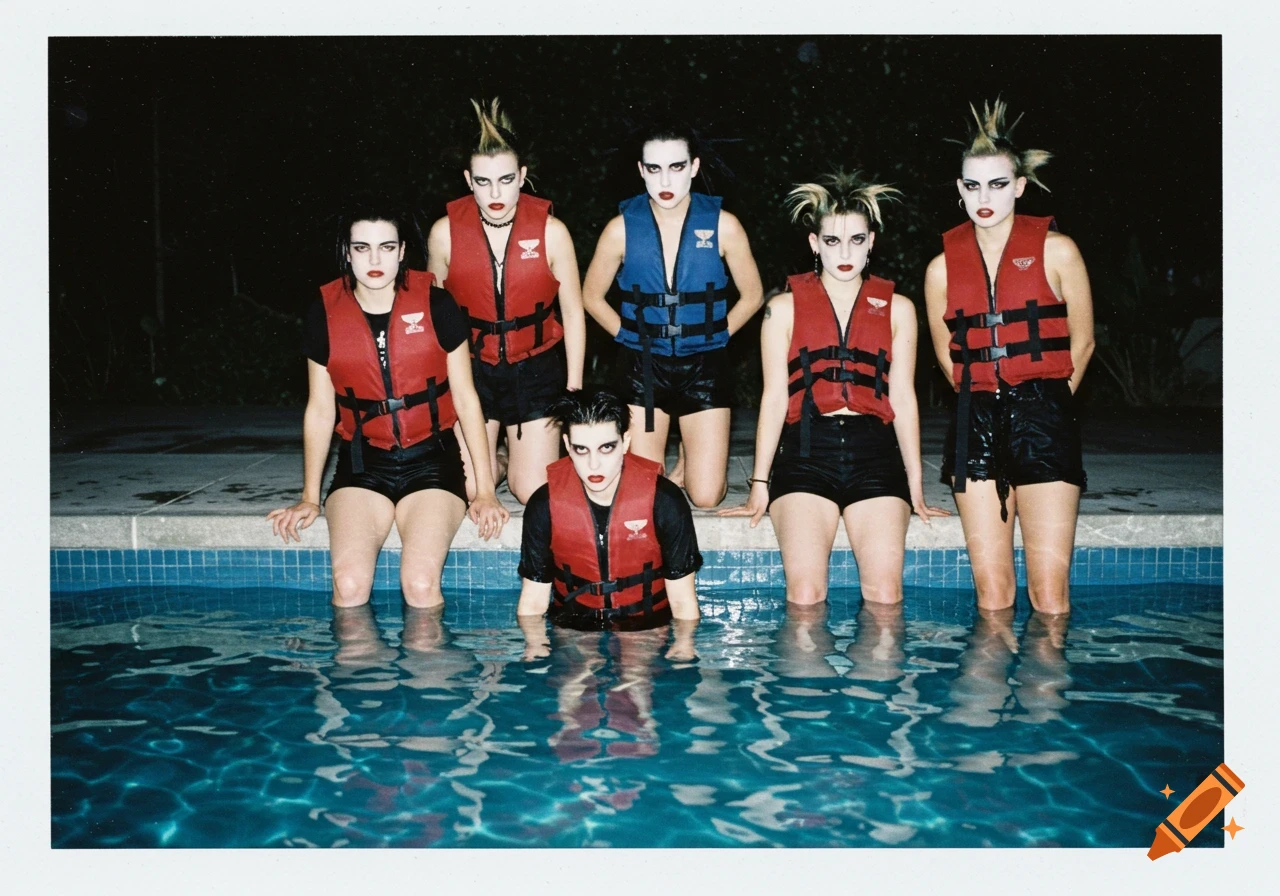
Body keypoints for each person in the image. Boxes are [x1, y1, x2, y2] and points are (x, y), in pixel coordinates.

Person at [268, 201, 508, 608]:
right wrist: (309, 495)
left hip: (432, 461)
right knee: (348, 585)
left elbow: (466, 399)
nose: (375, 260)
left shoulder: (438, 305)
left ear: (402, 252)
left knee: (419, 584)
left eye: (386, 247)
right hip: (364, 464)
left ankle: (496, 468)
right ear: (347, 253)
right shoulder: (324, 313)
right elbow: (321, 410)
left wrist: (484, 491)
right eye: (362, 248)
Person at [723, 172, 947, 605]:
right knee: (806, 594)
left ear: (871, 242)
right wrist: (759, 484)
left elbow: (903, 398)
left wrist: (916, 484)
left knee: (885, 595)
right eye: (832, 241)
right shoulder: (781, 309)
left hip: (876, 455)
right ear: (814, 243)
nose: (845, 253)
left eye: (856, 240)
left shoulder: (899, 309)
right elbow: (774, 398)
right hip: (806, 454)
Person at [923, 99, 1095, 615]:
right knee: (993, 595)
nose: (984, 197)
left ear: (1019, 186)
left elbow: (1084, 341)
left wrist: (1049, 404)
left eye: (997, 184)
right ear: (959, 189)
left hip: (1043, 413)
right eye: (972, 185)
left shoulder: (1058, 250)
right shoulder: (940, 268)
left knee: (1049, 595)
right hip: (975, 419)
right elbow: (947, 356)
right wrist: (983, 398)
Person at [580, 122, 764, 508]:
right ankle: (673, 451)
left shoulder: (724, 225)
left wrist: (717, 335)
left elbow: (753, 295)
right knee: (643, 491)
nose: (665, 180)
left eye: (676, 167)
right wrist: (629, 337)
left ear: (694, 167)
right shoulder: (620, 230)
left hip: (704, 364)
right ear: (641, 170)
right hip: (644, 366)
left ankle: (688, 457)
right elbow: (591, 296)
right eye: (654, 168)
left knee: (706, 496)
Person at [427, 98, 586, 504]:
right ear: (468, 180)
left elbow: (572, 313)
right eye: (483, 181)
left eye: (506, 179)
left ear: (523, 176)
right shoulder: (444, 233)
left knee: (531, 490)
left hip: (535, 368)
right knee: (466, 489)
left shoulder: (553, 231)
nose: (495, 192)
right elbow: (433, 318)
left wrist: (574, 388)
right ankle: (496, 461)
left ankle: (517, 460)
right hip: (472, 370)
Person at [515, 389, 702, 638]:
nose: (594, 464)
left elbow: (683, 603)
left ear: (625, 442)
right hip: (573, 625)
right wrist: (534, 652)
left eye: (606, 448)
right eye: (582, 449)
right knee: (575, 662)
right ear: (567, 446)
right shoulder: (543, 505)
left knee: (637, 663)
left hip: (645, 625)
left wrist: (684, 650)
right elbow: (533, 603)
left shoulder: (665, 501)